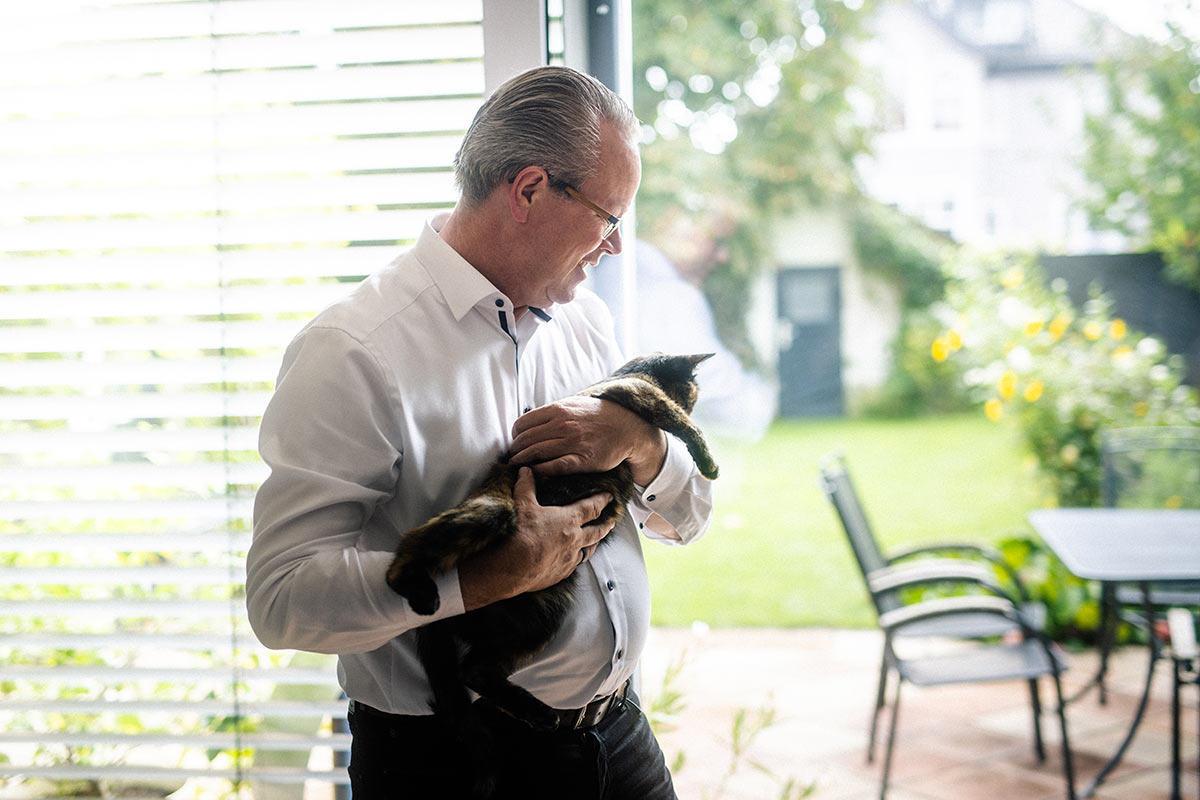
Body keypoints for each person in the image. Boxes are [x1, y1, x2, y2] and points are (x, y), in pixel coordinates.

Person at [246, 65, 714, 800]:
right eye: (609, 217)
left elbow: (688, 518)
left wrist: (644, 446)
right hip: (449, 766)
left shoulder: (587, 324)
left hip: (617, 739)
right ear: (528, 189)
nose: (617, 247)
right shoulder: (354, 352)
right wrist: (481, 577)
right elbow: (281, 599)